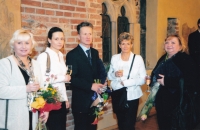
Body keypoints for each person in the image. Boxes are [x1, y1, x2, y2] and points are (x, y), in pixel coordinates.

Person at [0, 29, 48, 130]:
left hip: (33, 117)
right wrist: (25, 89)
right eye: (19, 43)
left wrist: (44, 109)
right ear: (13, 45)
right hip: (13, 120)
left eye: (27, 43)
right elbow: (1, 91)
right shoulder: (5, 63)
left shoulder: (35, 64)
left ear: (31, 45)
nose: (24, 46)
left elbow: (41, 89)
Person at [150, 35, 199, 130]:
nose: (169, 45)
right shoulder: (163, 58)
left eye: (173, 42)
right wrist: (151, 78)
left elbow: (192, 81)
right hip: (162, 104)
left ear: (180, 46)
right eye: (167, 42)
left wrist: (167, 81)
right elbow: (155, 74)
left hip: (178, 106)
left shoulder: (185, 59)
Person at [66, 21, 105, 130]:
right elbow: (72, 79)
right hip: (81, 102)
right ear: (78, 36)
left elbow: (98, 72)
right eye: (84, 34)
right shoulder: (72, 55)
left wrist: (102, 83)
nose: (88, 37)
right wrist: (90, 86)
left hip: (94, 100)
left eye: (90, 34)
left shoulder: (95, 52)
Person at [108, 32, 146, 130]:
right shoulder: (115, 58)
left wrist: (126, 83)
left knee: (129, 124)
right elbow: (109, 76)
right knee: (121, 124)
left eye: (128, 43)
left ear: (131, 45)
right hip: (118, 94)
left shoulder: (138, 59)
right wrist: (114, 74)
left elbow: (142, 79)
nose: (125, 46)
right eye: (123, 43)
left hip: (133, 96)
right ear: (119, 45)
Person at [37, 27, 71, 130]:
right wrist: (63, 77)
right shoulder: (44, 56)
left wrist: (65, 99)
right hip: (50, 100)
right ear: (49, 40)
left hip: (60, 100)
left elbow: (60, 83)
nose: (60, 42)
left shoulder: (60, 55)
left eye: (62, 39)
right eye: (56, 39)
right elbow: (42, 79)